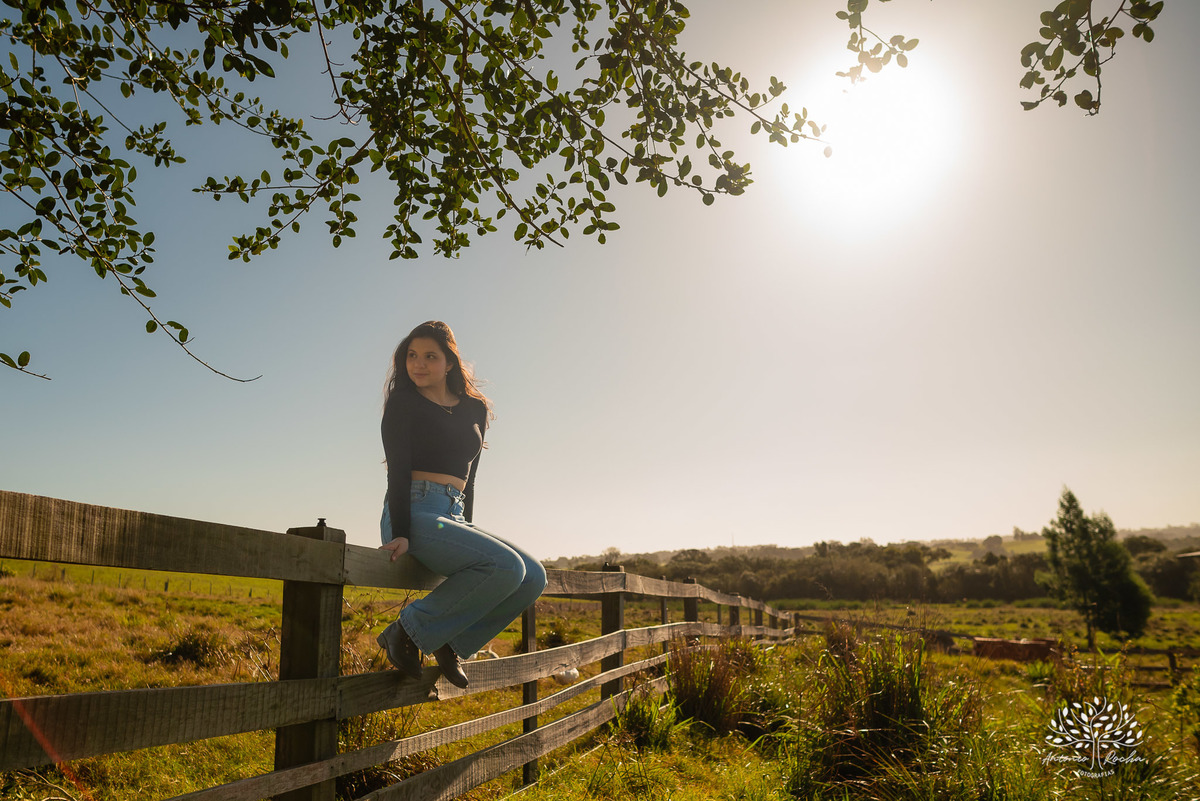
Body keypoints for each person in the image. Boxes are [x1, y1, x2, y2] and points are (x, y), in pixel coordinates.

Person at [376, 321, 547, 688]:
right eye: (411, 356)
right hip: (411, 509)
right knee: (505, 567)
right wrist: (402, 533)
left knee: (532, 576)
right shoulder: (403, 402)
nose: (418, 364)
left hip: (451, 514)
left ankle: (450, 641)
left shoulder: (474, 408)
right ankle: (406, 631)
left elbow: (471, 481)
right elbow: (398, 471)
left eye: (430, 356)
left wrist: (466, 530)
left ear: (450, 362)